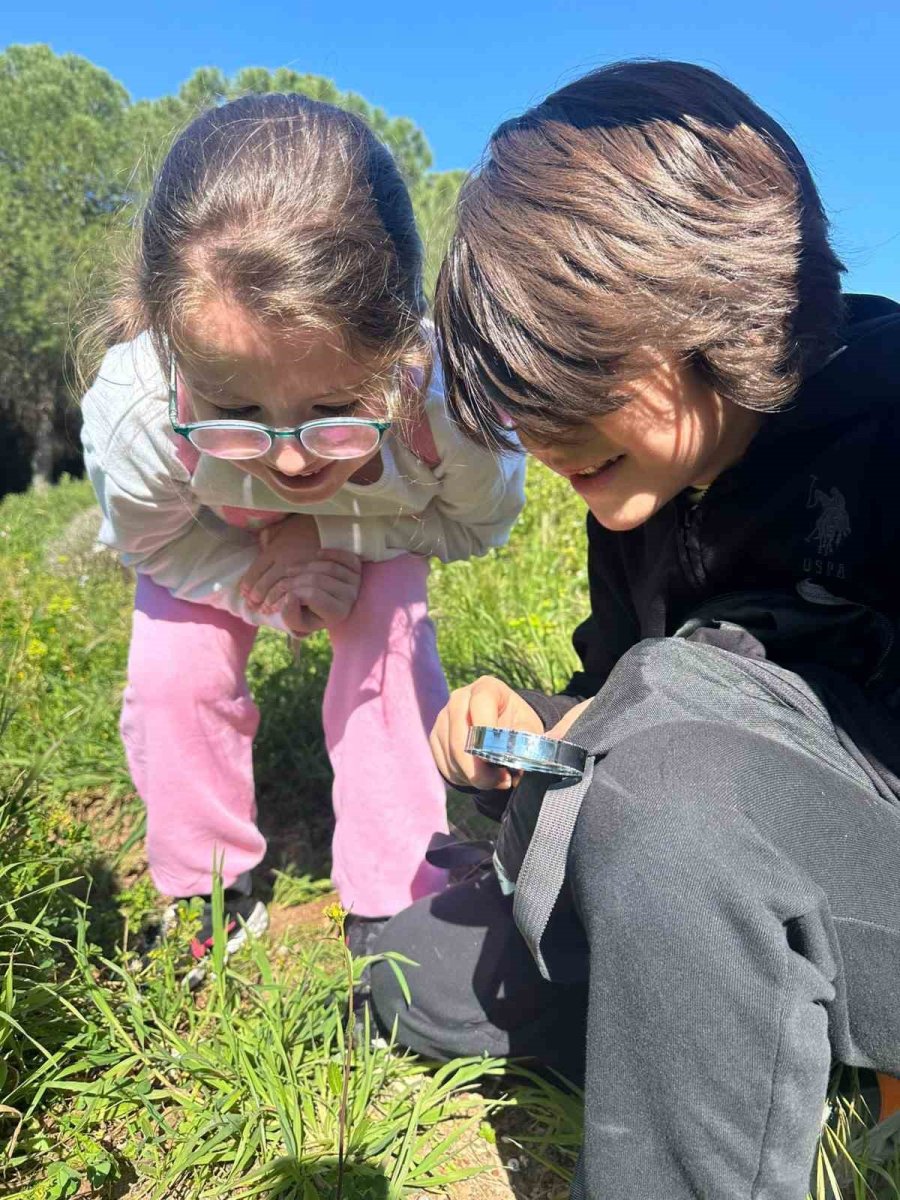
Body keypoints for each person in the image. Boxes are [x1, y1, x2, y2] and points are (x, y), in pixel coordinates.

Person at [369, 60, 900, 1199]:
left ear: (715, 304)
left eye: (578, 380)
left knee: (672, 754)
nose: (547, 436)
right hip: (692, 863)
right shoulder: (640, 481)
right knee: (409, 971)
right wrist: (536, 729)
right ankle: (748, 1028)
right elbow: (626, 705)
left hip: (851, 874)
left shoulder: (888, 412)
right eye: (523, 401)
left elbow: (676, 739)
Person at [80, 93, 524, 971]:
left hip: (374, 545)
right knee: (174, 675)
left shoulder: (453, 418)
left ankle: (397, 897)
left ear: (401, 352)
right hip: (210, 546)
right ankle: (204, 883)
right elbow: (154, 545)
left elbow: (474, 526)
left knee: (391, 662)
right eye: (235, 413)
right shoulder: (136, 414)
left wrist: (336, 551)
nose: (287, 464)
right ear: (172, 353)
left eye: (334, 411)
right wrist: (267, 574)